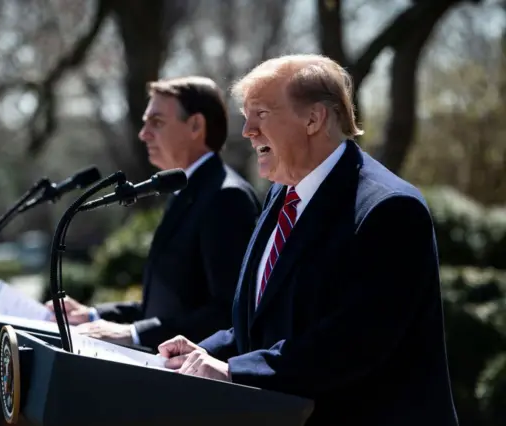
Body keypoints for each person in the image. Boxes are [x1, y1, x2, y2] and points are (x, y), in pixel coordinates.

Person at [158, 55, 459, 426]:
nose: (247, 130)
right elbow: (264, 324)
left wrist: (233, 370)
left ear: (314, 119)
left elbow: (351, 343)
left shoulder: (390, 209)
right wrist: (201, 352)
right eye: (245, 116)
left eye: (261, 114)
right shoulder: (281, 195)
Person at [50, 76, 261, 351]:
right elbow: (168, 304)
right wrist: (93, 316)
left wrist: (136, 334)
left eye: (157, 122)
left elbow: (228, 314)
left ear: (196, 125)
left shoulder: (225, 197)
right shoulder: (184, 190)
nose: (143, 133)